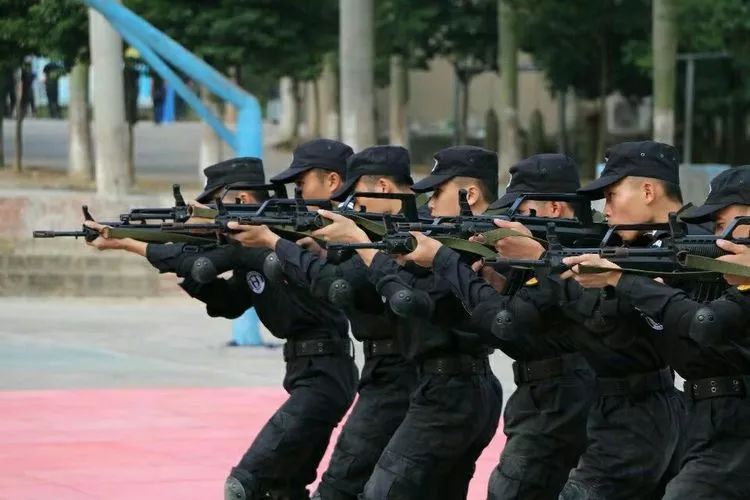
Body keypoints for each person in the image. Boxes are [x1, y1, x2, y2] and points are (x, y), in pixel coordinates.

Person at [86, 154, 359, 499]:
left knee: (244, 484)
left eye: (216, 203)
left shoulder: (270, 240)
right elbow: (230, 303)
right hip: (310, 372)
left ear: (241, 200)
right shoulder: (253, 249)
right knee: (283, 489)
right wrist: (192, 270)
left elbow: (204, 261)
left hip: (325, 376)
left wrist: (127, 242)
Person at [310, 146, 503, 499]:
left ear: (470, 195)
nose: (429, 203)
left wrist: (361, 244)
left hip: (449, 390)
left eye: (438, 192)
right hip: (447, 385)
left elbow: (411, 298)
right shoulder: (445, 240)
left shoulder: (462, 245)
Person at [401, 154, 597, 500]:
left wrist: (445, 261)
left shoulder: (578, 254)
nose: (512, 221)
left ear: (554, 209)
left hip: (562, 398)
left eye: (521, 210)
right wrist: (494, 281)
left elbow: (508, 321)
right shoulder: (542, 257)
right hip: (542, 395)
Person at [229, 145, 420, 500]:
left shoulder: (403, 233)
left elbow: (340, 284)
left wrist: (275, 243)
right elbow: (226, 302)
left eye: (302, 184)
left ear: (382, 187)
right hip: (387, 374)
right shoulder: (375, 231)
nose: (298, 195)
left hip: (405, 378)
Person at [561, 165, 750, 499]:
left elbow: (704, 322)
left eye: (723, 224)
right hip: (702, 417)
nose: (718, 237)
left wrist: (626, 281)